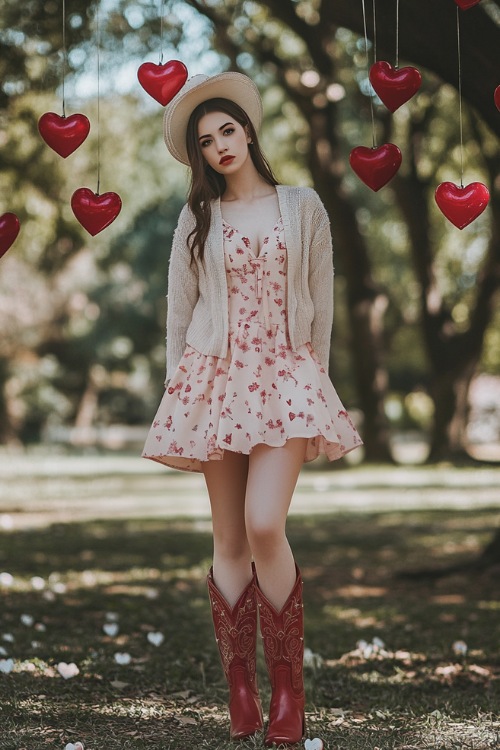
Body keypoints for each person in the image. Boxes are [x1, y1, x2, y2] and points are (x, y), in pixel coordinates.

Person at [142, 71, 362, 746]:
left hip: (286, 379)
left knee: (265, 523)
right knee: (229, 537)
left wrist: (314, 379)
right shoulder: (196, 218)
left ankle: (289, 691)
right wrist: (184, 390)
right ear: (201, 154)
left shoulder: (304, 207)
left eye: (227, 131)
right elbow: (180, 313)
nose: (219, 147)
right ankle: (242, 690)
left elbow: (320, 306)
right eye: (205, 141)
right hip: (215, 382)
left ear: (248, 130)